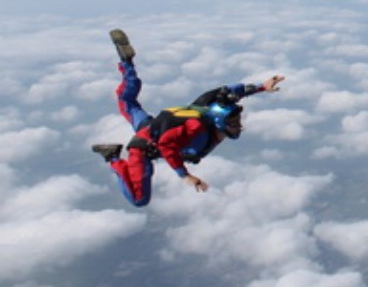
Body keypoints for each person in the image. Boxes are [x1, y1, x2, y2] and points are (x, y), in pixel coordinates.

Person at [91, 29, 285, 207]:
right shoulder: (196, 126)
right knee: (139, 199)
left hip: (149, 126)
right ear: (220, 121)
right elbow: (166, 144)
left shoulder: (207, 107)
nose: (239, 126)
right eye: (233, 123)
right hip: (143, 148)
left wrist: (261, 87)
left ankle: (127, 64)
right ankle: (112, 156)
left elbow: (229, 91)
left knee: (128, 102)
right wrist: (184, 175)